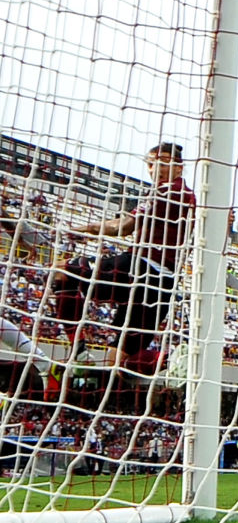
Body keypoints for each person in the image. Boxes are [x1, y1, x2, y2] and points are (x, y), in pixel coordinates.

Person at [53, 142, 196, 378]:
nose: (155, 169)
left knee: (62, 270)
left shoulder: (166, 191)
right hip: (163, 288)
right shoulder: (190, 197)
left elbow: (124, 226)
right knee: (116, 366)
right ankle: (168, 359)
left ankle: (77, 349)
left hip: (140, 270)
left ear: (179, 168)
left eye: (163, 162)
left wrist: (83, 228)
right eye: (151, 164)